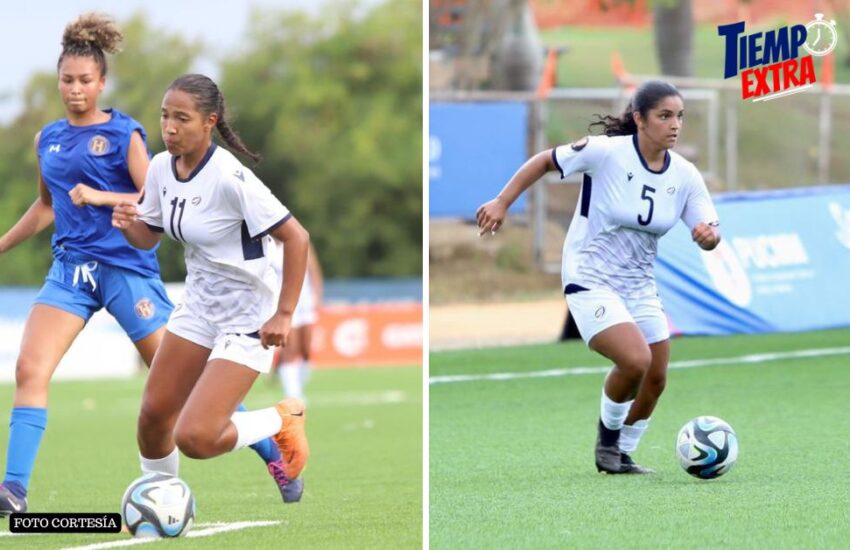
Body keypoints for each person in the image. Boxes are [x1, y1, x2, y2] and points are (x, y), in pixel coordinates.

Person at [0, 14, 280, 516]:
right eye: (67, 80)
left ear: (102, 83)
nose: (75, 89)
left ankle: (270, 447)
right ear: (58, 82)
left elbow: (151, 197)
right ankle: (14, 491)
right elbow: (47, 206)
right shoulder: (49, 139)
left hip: (127, 271)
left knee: (179, 386)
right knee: (29, 368)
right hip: (71, 273)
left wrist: (102, 198)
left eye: (85, 81)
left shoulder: (126, 133)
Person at [476, 80, 720, 474]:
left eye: (680, 116)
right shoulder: (605, 152)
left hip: (638, 284)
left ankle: (622, 452)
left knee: (656, 377)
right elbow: (543, 161)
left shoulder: (686, 175)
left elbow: (707, 228)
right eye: (664, 116)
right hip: (590, 276)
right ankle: (606, 444)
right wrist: (503, 202)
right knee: (635, 360)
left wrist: (708, 235)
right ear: (639, 119)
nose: (675, 125)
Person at [112, 73, 311, 502]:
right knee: (152, 417)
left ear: (209, 122)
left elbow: (297, 237)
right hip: (199, 307)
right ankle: (162, 502)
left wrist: (284, 314)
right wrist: (131, 226)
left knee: (196, 437)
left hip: (248, 317)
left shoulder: (229, 177)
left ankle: (282, 418)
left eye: (181, 118)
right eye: (165, 116)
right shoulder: (163, 166)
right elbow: (150, 235)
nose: (169, 127)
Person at [273, 243, 323, 400]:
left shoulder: (298, 240)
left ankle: (298, 384)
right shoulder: (267, 245)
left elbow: (314, 272)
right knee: (290, 348)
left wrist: (317, 296)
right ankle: (293, 394)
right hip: (285, 303)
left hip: (305, 302)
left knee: (306, 350)